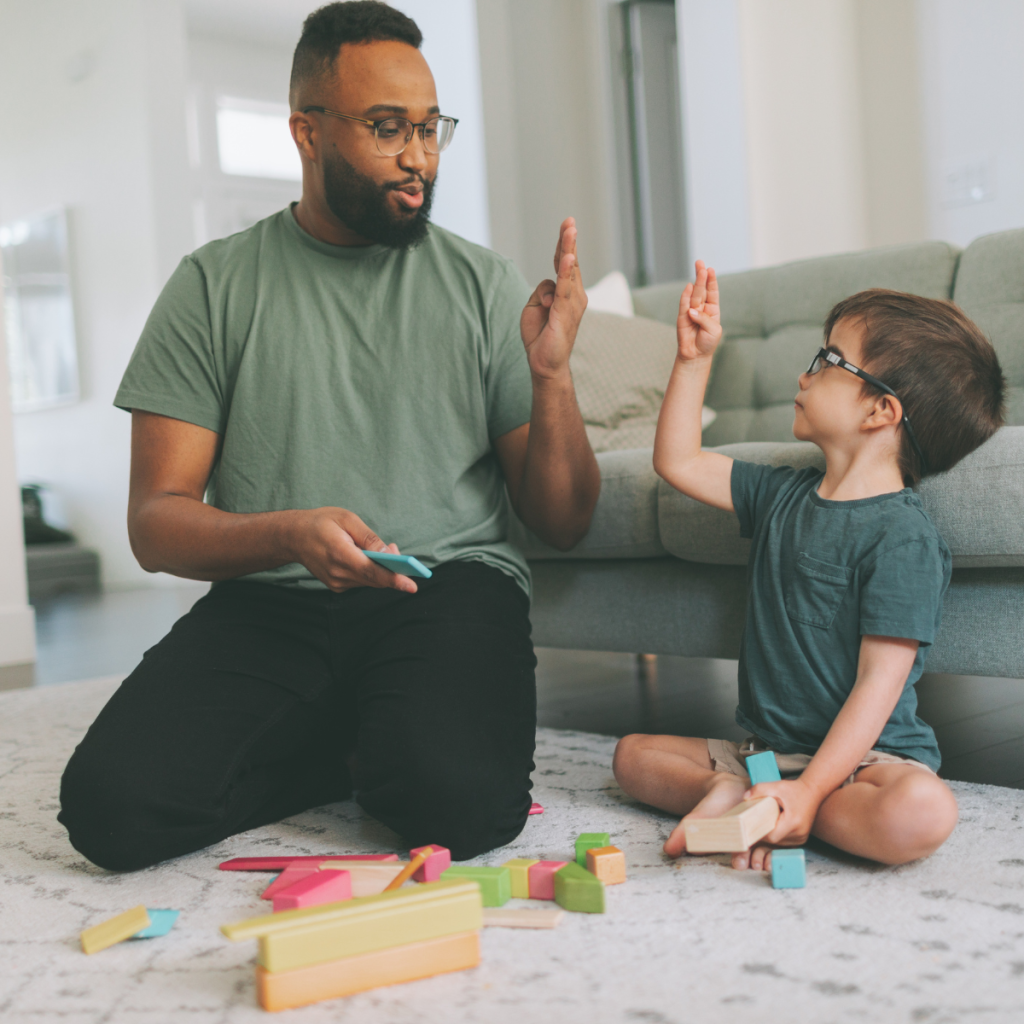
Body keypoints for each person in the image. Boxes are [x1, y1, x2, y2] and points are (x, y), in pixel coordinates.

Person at [57, 1, 600, 871]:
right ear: (307, 133)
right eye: (388, 128)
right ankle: (352, 744)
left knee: (458, 809)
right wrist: (285, 533)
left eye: (429, 128)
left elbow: (564, 520)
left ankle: (372, 737)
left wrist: (551, 375)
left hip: (447, 587)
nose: (418, 156)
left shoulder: (486, 286)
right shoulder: (211, 287)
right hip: (273, 599)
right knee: (111, 811)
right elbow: (155, 523)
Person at [613, 261, 1005, 870]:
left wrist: (813, 786)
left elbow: (880, 685)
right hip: (765, 753)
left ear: (880, 411)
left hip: (866, 763)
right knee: (633, 755)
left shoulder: (904, 539)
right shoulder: (780, 494)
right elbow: (680, 461)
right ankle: (744, 796)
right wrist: (693, 360)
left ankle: (788, 810)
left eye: (828, 360)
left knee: (924, 811)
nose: (805, 372)